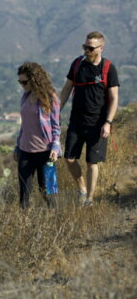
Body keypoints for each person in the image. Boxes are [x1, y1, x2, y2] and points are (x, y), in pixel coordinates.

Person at [60, 31, 119, 206]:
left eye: (90, 48)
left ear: (101, 48)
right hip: (76, 122)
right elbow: (66, 89)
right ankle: (82, 189)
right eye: (84, 46)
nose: (86, 50)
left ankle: (90, 199)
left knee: (92, 163)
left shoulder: (108, 68)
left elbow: (114, 98)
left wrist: (107, 123)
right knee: (69, 159)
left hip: (98, 125)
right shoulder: (77, 64)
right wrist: (56, 112)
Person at [14, 62, 61, 209]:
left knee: (47, 193)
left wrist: (55, 147)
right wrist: (17, 146)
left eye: (24, 81)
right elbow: (25, 124)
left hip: (45, 153)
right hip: (25, 152)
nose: (22, 85)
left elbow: (56, 125)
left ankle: (57, 222)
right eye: (19, 81)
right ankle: (24, 227)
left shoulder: (50, 98)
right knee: (24, 196)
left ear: (34, 79)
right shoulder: (25, 96)